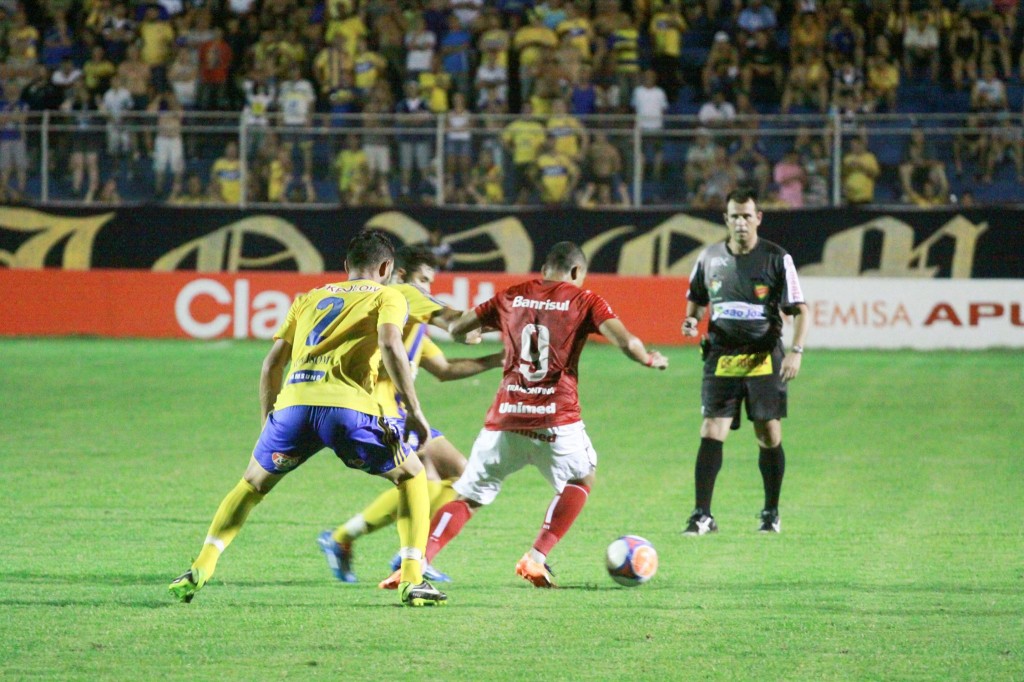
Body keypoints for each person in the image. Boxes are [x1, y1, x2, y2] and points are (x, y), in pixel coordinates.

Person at [169, 231, 448, 607]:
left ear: (346, 266)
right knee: (412, 475)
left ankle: (201, 565)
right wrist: (414, 411)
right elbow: (389, 343)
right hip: (349, 411)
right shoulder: (388, 295)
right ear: (386, 268)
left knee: (251, 486)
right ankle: (412, 578)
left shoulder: (309, 298)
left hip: (294, 406)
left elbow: (272, 364)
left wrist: (270, 419)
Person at [381, 242, 668, 589]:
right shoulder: (585, 300)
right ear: (576, 272)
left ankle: (417, 563)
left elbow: (458, 329)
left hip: (505, 418)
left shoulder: (512, 295)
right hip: (555, 419)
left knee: (468, 498)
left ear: (545, 268)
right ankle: (536, 556)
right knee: (582, 478)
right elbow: (626, 342)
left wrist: (478, 331)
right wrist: (649, 358)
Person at [319, 245, 505, 583]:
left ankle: (348, 540)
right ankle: (408, 557)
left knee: (445, 477)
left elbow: (446, 368)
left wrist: (498, 359)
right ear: (401, 276)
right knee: (448, 478)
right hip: (379, 412)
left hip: (396, 411)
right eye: (423, 280)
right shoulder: (397, 300)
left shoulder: (411, 321)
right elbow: (460, 326)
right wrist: (509, 320)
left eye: (431, 283)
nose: (428, 290)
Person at [681, 187, 808, 536]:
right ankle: (702, 514)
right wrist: (692, 320)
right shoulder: (709, 258)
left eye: (746, 215)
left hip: (764, 358)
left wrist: (796, 352)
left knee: (768, 433)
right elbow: (696, 300)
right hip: (721, 356)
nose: (740, 222)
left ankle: (771, 512)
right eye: (734, 216)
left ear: (758, 218)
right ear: (726, 219)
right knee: (711, 429)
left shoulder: (777, 258)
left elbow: (800, 310)